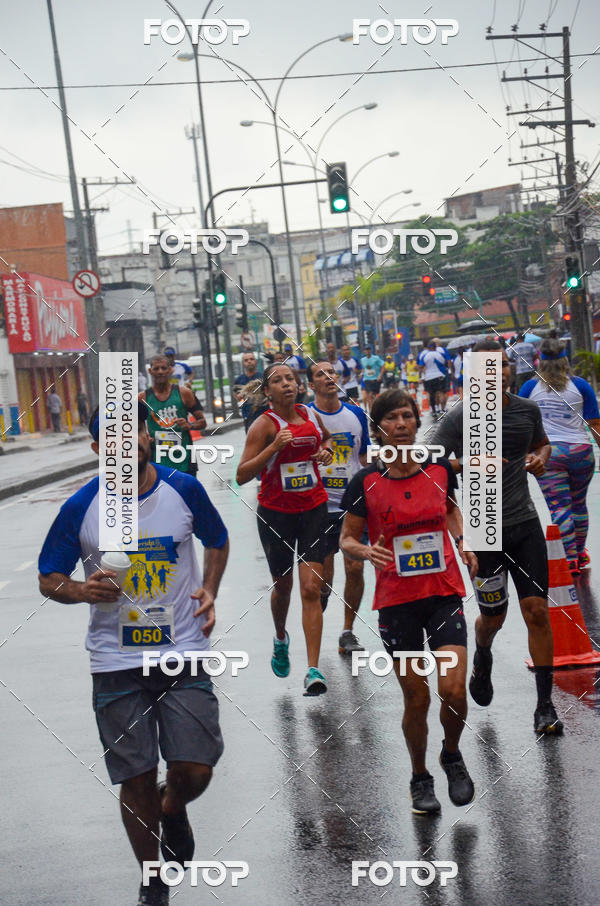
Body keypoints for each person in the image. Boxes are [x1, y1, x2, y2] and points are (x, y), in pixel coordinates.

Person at [38, 402, 229, 906]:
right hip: (115, 661)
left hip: (182, 650)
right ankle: (152, 879)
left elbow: (217, 539)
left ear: (148, 437)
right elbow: (48, 577)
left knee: (196, 767)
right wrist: (80, 591)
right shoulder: (81, 506)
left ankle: (173, 805)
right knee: (135, 774)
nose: (128, 442)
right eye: (114, 437)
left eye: (136, 431)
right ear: (98, 449)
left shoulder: (183, 489)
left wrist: (209, 589)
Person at [340, 389, 478, 815]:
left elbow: (450, 509)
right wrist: (365, 551)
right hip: (397, 602)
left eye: (407, 416)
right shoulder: (364, 482)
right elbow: (346, 539)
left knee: (453, 690)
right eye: (391, 418)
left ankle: (451, 753)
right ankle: (420, 776)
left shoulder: (438, 469)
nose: (400, 424)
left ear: (417, 423)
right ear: (378, 429)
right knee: (417, 698)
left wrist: (462, 540)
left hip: (443, 592)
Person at [430, 339, 563, 735]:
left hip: (524, 523)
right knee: (494, 617)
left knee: (537, 611)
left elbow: (542, 444)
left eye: (503, 364)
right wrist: (468, 462)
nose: (499, 372)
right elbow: (429, 462)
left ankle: (545, 706)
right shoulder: (459, 418)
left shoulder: (527, 410)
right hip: (484, 529)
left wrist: (541, 458)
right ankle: (483, 652)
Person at [236, 363, 333, 695]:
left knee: (311, 588)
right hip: (276, 515)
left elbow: (326, 439)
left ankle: (313, 669)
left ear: (298, 385)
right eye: (278, 381)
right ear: (267, 392)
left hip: (313, 509)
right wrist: (273, 447)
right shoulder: (264, 425)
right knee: (284, 587)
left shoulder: (310, 414)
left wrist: (326, 452)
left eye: (290, 379)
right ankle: (280, 637)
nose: (287, 384)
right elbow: (242, 475)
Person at [519, 338, 600, 575]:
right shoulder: (581, 386)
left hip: (548, 455)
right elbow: (595, 424)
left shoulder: (529, 388)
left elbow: (521, 424)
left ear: (540, 362)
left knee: (559, 507)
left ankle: (570, 559)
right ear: (565, 360)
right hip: (581, 453)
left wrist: (521, 455)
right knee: (578, 504)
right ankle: (579, 552)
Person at [307, 361, 370, 654]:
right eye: (321, 374)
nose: (328, 377)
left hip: (353, 504)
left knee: (355, 567)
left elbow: (364, 458)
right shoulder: (306, 416)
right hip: (320, 506)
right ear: (312, 385)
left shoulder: (356, 414)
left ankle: (347, 631)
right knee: (325, 580)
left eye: (332, 372)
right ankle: (316, 615)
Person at [140, 354, 206, 475]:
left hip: (184, 459)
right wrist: (145, 436)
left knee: (187, 487)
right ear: (150, 371)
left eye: (164, 368)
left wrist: (190, 425)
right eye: (156, 368)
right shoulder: (142, 398)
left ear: (170, 370)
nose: (160, 372)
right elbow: (132, 428)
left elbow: (202, 422)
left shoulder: (185, 393)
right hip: (157, 461)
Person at [418, 340, 448, 418]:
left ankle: (434, 410)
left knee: (432, 394)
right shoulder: (440, 354)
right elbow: (446, 363)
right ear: (435, 347)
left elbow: (421, 367)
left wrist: (420, 377)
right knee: (441, 393)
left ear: (429, 347)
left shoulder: (425, 356)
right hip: (440, 375)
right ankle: (442, 409)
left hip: (429, 377)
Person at [234, 352, 263, 432]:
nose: (249, 361)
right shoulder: (239, 380)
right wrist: (245, 392)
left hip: (263, 414)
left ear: (256, 361)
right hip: (248, 415)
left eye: (251, 359)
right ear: (243, 363)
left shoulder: (263, 377)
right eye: (246, 360)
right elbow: (237, 397)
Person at [360, 345, 384, 410]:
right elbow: (363, 369)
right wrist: (361, 374)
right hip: (367, 380)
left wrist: (380, 376)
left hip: (376, 379)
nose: (368, 351)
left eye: (369, 349)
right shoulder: (362, 360)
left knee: (376, 396)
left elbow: (383, 366)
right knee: (369, 396)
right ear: (364, 351)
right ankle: (371, 411)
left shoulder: (376, 358)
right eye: (366, 350)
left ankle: (377, 408)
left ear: (371, 350)